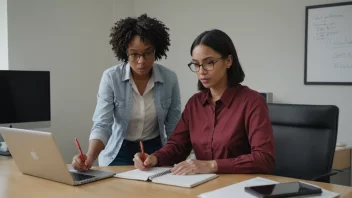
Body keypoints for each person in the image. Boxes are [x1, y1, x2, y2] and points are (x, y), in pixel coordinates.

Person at [133, 29, 275, 175]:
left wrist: (212, 165)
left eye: (209, 63)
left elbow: (264, 159)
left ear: (228, 61)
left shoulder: (252, 102)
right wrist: (154, 158)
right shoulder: (195, 104)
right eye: (196, 64)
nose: (201, 71)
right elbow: (177, 146)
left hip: (239, 188)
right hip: (202, 187)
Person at [72, 14, 181, 170]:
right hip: (119, 149)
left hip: (156, 149)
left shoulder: (170, 79)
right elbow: (103, 124)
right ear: (125, 53)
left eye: (148, 53)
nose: (141, 61)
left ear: (156, 50)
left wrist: (175, 158)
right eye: (134, 54)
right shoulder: (111, 78)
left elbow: (174, 128)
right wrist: (90, 156)